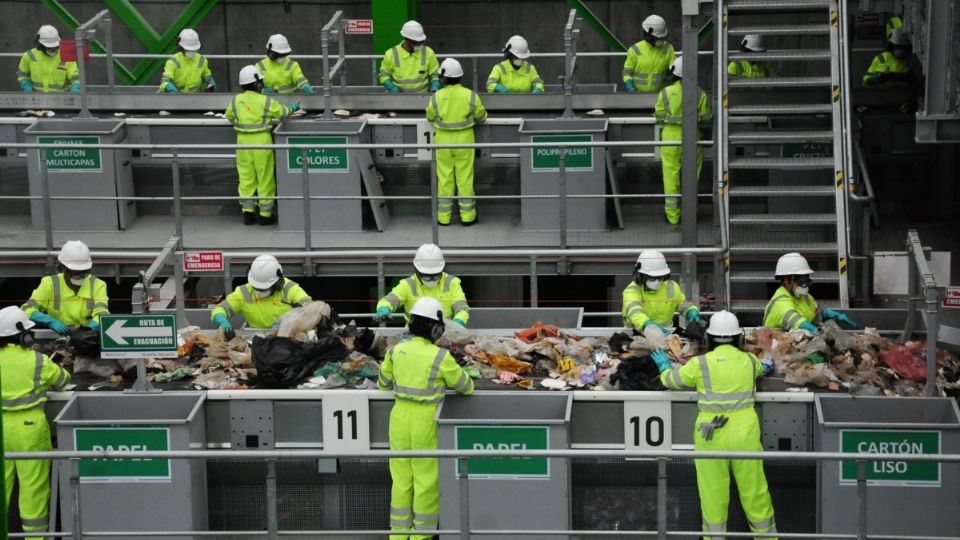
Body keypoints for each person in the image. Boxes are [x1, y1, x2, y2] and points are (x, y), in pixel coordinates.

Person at [655, 310, 778, 539]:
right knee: (755, 494)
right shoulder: (750, 361)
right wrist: (768, 355)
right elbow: (765, 367)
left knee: (713, 496)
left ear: (708, 338)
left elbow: (672, 381)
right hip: (746, 435)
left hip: (710, 435)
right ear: (739, 337)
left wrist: (663, 366)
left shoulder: (700, 364)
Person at [377, 297, 474, 539]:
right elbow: (466, 387)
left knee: (400, 479)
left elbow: (383, 383)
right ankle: (422, 535)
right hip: (426, 420)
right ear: (436, 329)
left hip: (398, 417)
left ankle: (398, 535)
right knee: (425, 481)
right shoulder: (440, 357)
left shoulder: (395, 350)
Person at [0, 306, 71, 540]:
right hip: (29, 428)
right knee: (34, 488)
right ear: (24, 336)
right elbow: (63, 380)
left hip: (3, 428)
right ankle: (35, 538)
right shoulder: (37, 361)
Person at [225, 65, 299, 225]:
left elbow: (229, 115)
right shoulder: (265, 100)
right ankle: (265, 214)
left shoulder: (235, 100)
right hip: (261, 141)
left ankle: (248, 212)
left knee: (246, 177)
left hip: (242, 142)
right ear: (257, 83)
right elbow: (283, 113)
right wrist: (293, 108)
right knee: (264, 177)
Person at [426, 58, 488, 226]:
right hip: (465, 140)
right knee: (465, 178)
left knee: (445, 179)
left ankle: (443, 218)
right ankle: (468, 217)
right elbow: (482, 116)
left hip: (443, 141)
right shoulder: (470, 95)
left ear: (444, 78)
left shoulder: (436, 96)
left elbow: (430, 116)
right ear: (460, 77)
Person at [655, 55, 712, 225]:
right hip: (692, 136)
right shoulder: (700, 93)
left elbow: (658, 115)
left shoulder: (665, 92)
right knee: (691, 178)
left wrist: (674, 119)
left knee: (671, 177)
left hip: (670, 137)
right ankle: (690, 214)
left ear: (675, 73)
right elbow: (706, 117)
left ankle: (673, 216)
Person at [22, 240, 109, 335]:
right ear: (63, 268)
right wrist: (49, 321)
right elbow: (26, 309)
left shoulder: (97, 285)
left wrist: (88, 330)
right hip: (58, 336)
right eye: (75, 272)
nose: (81, 276)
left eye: (84, 272)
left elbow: (102, 314)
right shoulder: (49, 284)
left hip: (87, 337)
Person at [211, 254, 311, 335]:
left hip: (286, 336)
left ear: (277, 283)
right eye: (256, 288)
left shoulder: (289, 289)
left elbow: (311, 309)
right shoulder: (244, 292)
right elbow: (220, 309)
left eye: (264, 289)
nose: (259, 292)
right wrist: (221, 319)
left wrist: (292, 321)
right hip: (254, 336)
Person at [375, 243, 470, 326]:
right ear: (417, 271)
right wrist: (383, 308)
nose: (431, 280)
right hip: (413, 335)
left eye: (435, 276)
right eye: (427, 276)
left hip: (443, 334)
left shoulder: (451, 283)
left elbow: (462, 308)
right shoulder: (408, 285)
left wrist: (459, 321)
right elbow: (388, 301)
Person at [762, 252, 857, 333]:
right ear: (787, 280)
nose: (805, 284)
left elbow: (816, 314)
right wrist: (818, 332)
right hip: (777, 347)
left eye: (806, 279)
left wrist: (830, 314)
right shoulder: (781, 302)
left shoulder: (804, 297)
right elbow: (800, 323)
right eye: (802, 280)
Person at [622, 250, 701, 337]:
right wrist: (649, 324)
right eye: (652, 278)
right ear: (640, 276)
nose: (657, 281)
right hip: (637, 336)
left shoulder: (671, 287)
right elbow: (635, 313)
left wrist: (692, 312)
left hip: (666, 335)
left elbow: (684, 305)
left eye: (660, 277)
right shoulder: (632, 291)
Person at [378, 20, 440, 94]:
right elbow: (384, 75)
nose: (420, 45)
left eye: (421, 42)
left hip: (422, 98)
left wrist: (435, 84)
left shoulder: (428, 52)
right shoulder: (391, 54)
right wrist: (391, 87)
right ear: (407, 40)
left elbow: (435, 74)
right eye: (417, 43)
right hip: (399, 99)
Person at [17, 25, 79, 93]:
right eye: (49, 47)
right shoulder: (29, 55)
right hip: (37, 98)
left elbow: (75, 76)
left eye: (55, 47)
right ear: (40, 45)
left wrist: (76, 85)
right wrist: (26, 84)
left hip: (61, 99)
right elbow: (22, 73)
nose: (53, 50)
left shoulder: (66, 55)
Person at [622, 14, 675, 93]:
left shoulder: (668, 48)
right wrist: (630, 87)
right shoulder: (635, 49)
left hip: (661, 95)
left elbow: (675, 71)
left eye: (662, 37)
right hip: (638, 94)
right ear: (649, 35)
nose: (661, 40)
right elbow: (627, 72)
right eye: (658, 38)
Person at [159, 29, 215, 93]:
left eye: (194, 50)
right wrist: (170, 89)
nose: (191, 52)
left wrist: (210, 86)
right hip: (177, 97)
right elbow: (164, 82)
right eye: (188, 50)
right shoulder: (173, 61)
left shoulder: (202, 60)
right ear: (181, 47)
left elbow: (208, 78)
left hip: (196, 98)